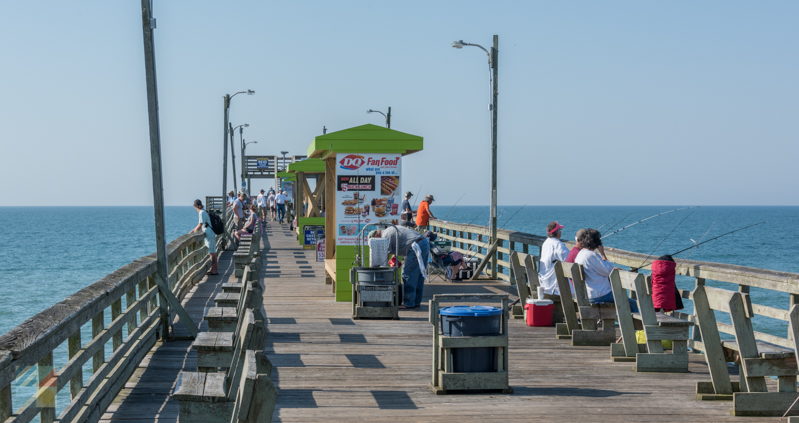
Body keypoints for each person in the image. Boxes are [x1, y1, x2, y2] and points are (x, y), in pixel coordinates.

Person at [574, 228, 638, 312]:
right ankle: (634, 325)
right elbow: (610, 271)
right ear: (596, 242)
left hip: (588, 293)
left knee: (625, 299)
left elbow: (603, 269)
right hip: (599, 294)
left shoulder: (581, 253)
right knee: (633, 303)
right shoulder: (591, 255)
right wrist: (602, 254)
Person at [370, 225, 430, 309]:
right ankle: (416, 302)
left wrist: (377, 266)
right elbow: (400, 242)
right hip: (423, 243)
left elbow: (384, 256)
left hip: (415, 246)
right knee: (419, 275)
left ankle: (408, 303)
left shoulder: (385, 236)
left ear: (376, 236)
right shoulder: (390, 230)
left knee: (408, 275)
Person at [538, 221, 569, 294]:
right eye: (560, 230)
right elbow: (569, 261)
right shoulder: (558, 245)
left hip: (544, 282)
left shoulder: (546, 243)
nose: (561, 232)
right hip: (554, 287)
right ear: (557, 232)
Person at [190, 199, 218, 275]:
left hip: (209, 233)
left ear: (196, 206)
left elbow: (200, 225)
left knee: (212, 253)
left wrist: (193, 232)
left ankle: (214, 270)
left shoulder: (201, 212)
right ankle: (214, 269)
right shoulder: (203, 211)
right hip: (210, 232)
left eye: (195, 207)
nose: (195, 209)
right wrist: (193, 230)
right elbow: (200, 224)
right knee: (212, 252)